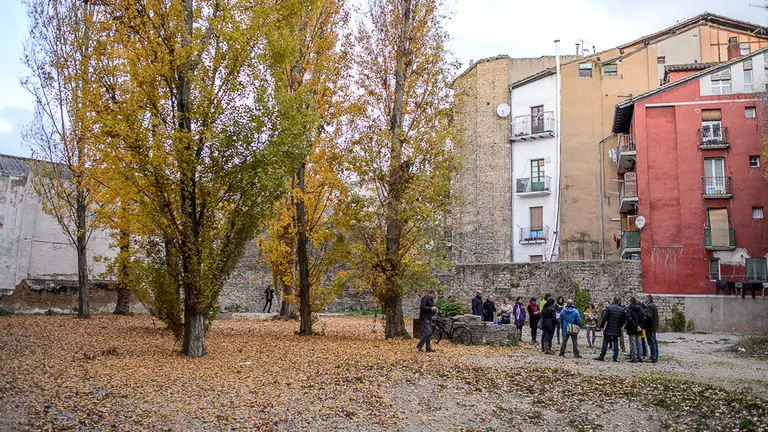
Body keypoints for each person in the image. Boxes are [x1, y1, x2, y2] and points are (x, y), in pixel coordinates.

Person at [594, 297, 626, 362]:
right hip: (617, 328)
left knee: (605, 342)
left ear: (613, 301)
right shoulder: (621, 309)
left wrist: (600, 326)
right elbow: (623, 320)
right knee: (615, 342)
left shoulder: (608, 308)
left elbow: (604, 318)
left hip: (608, 327)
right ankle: (615, 357)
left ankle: (602, 356)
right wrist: (620, 326)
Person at [625, 297, 644, 363]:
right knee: (639, 343)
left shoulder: (629, 309)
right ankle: (640, 357)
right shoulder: (640, 309)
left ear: (630, 302)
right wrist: (640, 326)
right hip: (639, 328)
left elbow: (629, 319)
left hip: (631, 328)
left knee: (632, 343)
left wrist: (636, 326)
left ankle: (634, 357)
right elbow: (643, 318)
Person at [644, 294, 660, 363]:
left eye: (645, 299)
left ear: (648, 299)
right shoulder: (653, 305)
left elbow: (648, 317)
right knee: (654, 341)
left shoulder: (649, 307)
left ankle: (653, 357)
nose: (644, 300)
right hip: (654, 326)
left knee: (651, 342)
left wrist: (644, 325)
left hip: (650, 327)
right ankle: (655, 356)